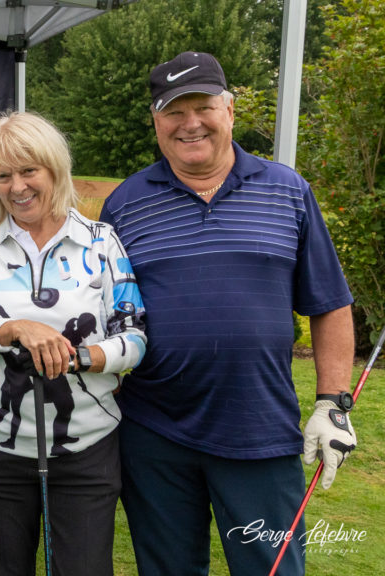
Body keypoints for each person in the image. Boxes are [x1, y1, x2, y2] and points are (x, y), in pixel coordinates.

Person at [99, 51, 356, 575]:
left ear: (230, 110)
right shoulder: (124, 204)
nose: (190, 123)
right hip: (154, 434)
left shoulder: (288, 191)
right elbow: (103, 312)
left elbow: (329, 304)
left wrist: (332, 403)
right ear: (155, 121)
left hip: (259, 432)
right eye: (174, 111)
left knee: (271, 568)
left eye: (203, 107)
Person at [0, 111, 147, 576]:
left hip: (86, 450)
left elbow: (135, 338)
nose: (17, 187)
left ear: (55, 169)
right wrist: (13, 329)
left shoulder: (101, 241)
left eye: (28, 170)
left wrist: (75, 358)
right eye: (3, 176)